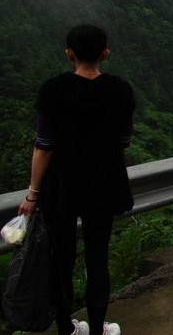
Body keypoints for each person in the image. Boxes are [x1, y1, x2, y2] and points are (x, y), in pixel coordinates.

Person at [18, 24, 134, 335]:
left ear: (69, 53)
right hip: (103, 185)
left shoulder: (53, 90)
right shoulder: (120, 90)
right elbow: (124, 139)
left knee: (61, 260)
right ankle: (98, 328)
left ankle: (66, 327)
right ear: (105, 53)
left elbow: (44, 146)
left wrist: (32, 194)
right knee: (98, 258)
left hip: (61, 188)